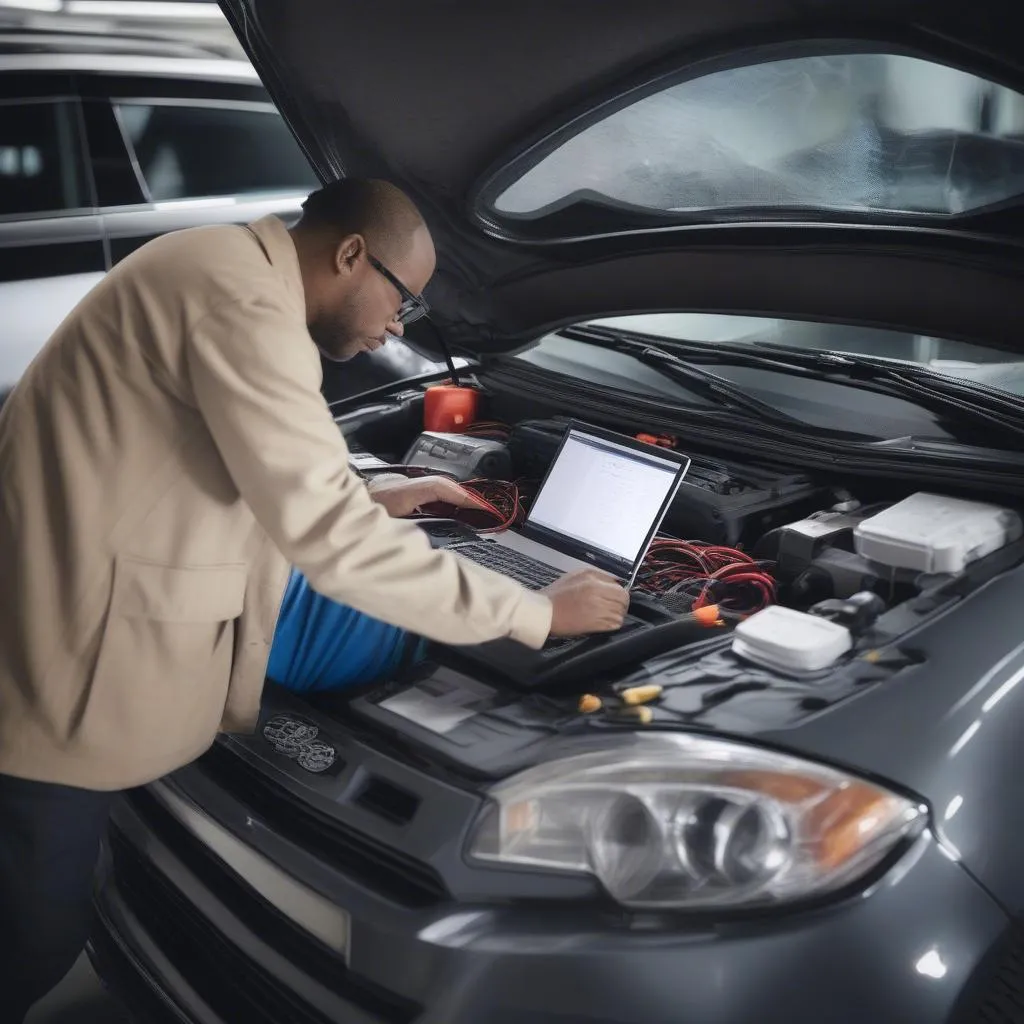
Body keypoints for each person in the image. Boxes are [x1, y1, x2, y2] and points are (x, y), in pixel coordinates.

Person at [0, 178, 629, 1022]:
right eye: (401, 299)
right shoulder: (244, 304)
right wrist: (537, 612)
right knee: (29, 940)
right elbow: (328, 542)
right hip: (64, 659)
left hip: (69, 614)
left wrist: (373, 497)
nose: (395, 328)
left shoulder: (220, 265)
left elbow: (230, 460)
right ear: (347, 256)